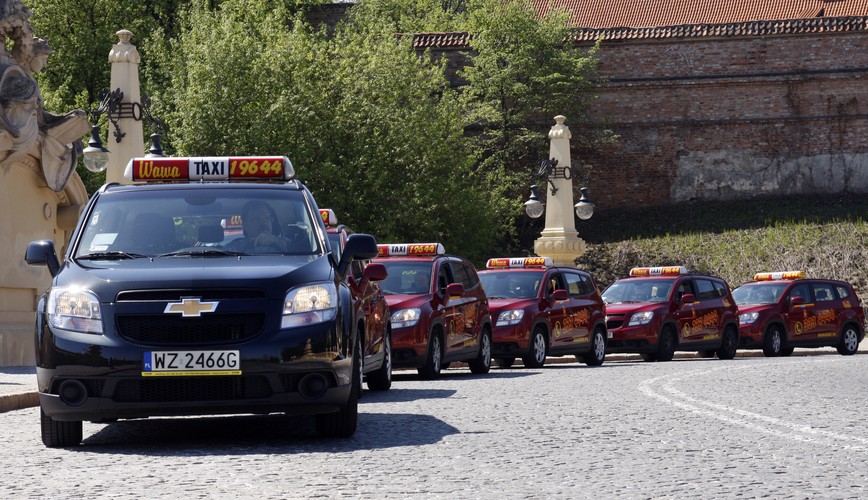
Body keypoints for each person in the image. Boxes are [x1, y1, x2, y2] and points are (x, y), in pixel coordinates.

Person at [223, 200, 290, 253]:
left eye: (267, 218)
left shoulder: (284, 242)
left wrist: (276, 241)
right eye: (256, 219)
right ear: (245, 224)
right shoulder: (236, 246)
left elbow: (297, 249)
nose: (263, 222)